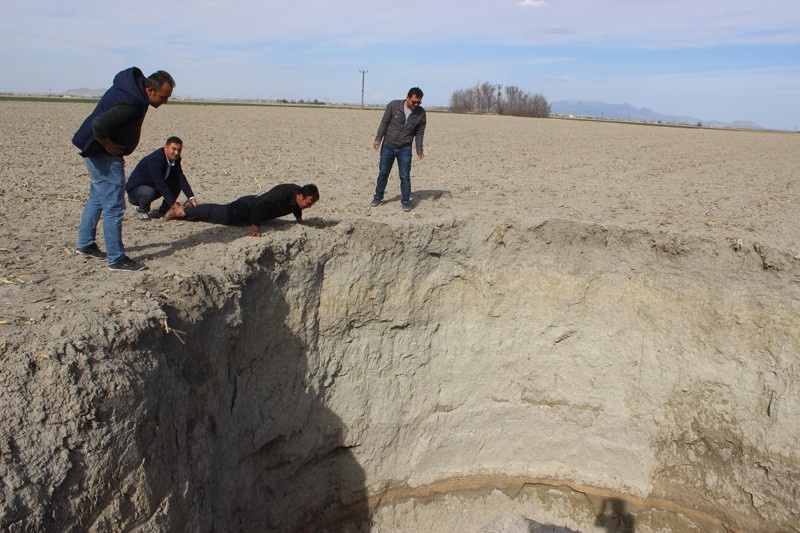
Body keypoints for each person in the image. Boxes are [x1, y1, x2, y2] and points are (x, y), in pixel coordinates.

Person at [73, 67, 175, 271]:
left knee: (97, 198)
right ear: (150, 91)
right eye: (164, 97)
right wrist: (108, 144)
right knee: (114, 206)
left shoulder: (131, 91)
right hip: (104, 156)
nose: (165, 102)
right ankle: (116, 259)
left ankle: (85, 244)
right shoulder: (131, 102)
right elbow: (99, 125)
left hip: (95, 153)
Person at [164, 183, 319, 237]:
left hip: (254, 209)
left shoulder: (297, 198)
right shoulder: (281, 194)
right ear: (300, 196)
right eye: (309, 203)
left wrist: (299, 220)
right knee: (221, 215)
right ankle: (182, 211)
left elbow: (296, 207)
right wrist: (255, 228)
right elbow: (260, 206)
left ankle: (191, 208)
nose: (309, 206)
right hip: (246, 207)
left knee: (219, 213)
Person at [370, 87, 426, 212]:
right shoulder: (393, 106)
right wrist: (378, 139)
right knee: (383, 173)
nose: (416, 105)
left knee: (405, 176)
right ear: (408, 98)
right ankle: (378, 197)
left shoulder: (421, 113)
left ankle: (406, 201)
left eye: (419, 102)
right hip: (388, 146)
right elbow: (384, 123)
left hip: (405, 148)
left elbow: (420, 133)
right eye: (414, 102)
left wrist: (419, 150)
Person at [126, 136, 197, 221]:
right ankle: (142, 211)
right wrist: (175, 205)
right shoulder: (155, 159)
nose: (176, 153)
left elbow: (180, 177)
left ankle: (164, 209)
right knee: (148, 192)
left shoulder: (176, 159)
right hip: (136, 191)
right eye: (173, 149)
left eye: (179, 150)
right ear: (166, 147)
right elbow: (160, 183)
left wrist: (191, 198)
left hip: (154, 186)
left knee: (176, 183)